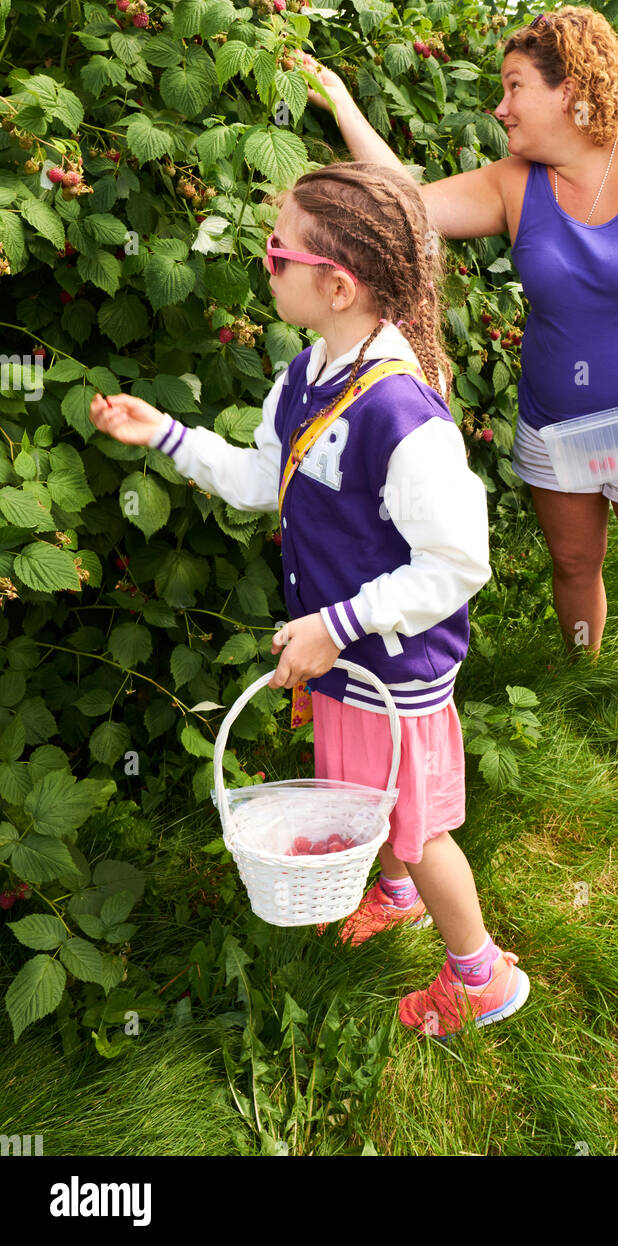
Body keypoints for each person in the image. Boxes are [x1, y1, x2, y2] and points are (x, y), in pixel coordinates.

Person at [88, 161, 530, 1041]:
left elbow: (458, 560)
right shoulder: (306, 376)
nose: (265, 262)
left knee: (417, 828)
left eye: (276, 250)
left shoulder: (402, 417)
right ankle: (398, 898)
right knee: (369, 796)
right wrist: (169, 435)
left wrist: (335, 625)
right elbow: (263, 479)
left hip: (390, 670)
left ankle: (480, 976)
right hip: (342, 661)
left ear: (337, 284)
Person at [299, 6, 618, 789]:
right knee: (574, 561)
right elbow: (405, 208)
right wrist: (342, 102)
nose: (501, 106)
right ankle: (583, 673)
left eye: (515, 87)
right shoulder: (517, 185)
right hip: (556, 428)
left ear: (574, 92)